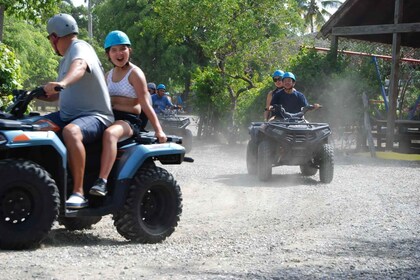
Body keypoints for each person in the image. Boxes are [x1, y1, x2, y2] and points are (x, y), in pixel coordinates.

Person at [41, 13, 114, 209]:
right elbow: (60, 93)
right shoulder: (65, 60)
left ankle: (79, 193)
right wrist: (36, 94)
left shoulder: (80, 48)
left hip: (95, 116)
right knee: (34, 126)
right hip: (69, 115)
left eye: (50, 39)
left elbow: (80, 67)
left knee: (71, 132)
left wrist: (61, 82)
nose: (51, 43)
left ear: (55, 37)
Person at [89, 30, 167, 197]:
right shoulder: (108, 75)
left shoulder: (135, 74)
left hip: (129, 121)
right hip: (108, 117)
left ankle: (102, 181)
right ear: (108, 54)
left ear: (129, 50)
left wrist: (159, 130)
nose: (119, 53)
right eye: (114, 50)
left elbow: (145, 103)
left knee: (110, 135)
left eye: (122, 49)